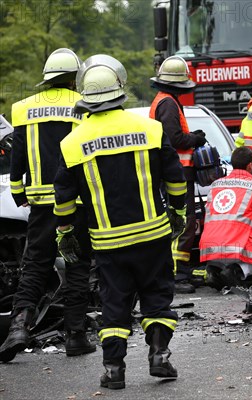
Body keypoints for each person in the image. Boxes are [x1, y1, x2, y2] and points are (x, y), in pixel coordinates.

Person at [53, 55, 186, 389]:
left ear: (86, 98)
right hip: (153, 235)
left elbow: (64, 197)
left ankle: (114, 370)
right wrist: (179, 211)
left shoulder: (72, 143)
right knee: (157, 296)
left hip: (108, 243)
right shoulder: (150, 129)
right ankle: (159, 356)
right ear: (119, 93)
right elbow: (175, 178)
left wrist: (66, 232)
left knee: (115, 303)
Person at [0, 48, 95, 363]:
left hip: (40, 203)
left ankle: (18, 327)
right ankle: (76, 336)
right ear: (73, 78)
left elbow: (18, 156)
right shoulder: (84, 105)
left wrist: (18, 193)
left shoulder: (24, 109)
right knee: (76, 263)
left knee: (36, 264)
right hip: (76, 202)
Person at [149, 56, 207, 294]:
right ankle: (177, 274)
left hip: (174, 172)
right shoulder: (169, 104)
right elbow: (174, 140)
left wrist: (191, 135)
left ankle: (180, 271)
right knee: (183, 223)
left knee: (182, 222)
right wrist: (196, 138)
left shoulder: (164, 101)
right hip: (177, 173)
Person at [199, 146, 252, 288]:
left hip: (210, 246)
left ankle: (214, 270)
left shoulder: (216, 185)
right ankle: (236, 272)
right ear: (250, 165)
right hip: (237, 248)